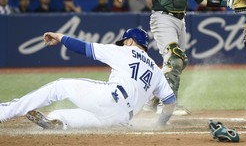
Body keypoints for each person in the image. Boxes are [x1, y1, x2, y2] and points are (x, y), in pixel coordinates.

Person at [113, 0, 231, 115]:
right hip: (162, 17)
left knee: (178, 63)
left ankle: (152, 101)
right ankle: (167, 106)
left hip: (180, 19)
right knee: (174, 58)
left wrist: (228, 3)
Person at [0, 28, 176, 129]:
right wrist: (160, 123)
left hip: (111, 98)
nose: (123, 43)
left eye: (124, 41)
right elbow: (170, 101)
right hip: (120, 118)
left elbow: (84, 48)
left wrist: (60, 37)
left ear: (130, 41)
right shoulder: (156, 69)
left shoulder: (125, 50)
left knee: (59, 87)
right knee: (59, 115)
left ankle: (5, 112)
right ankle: (60, 124)